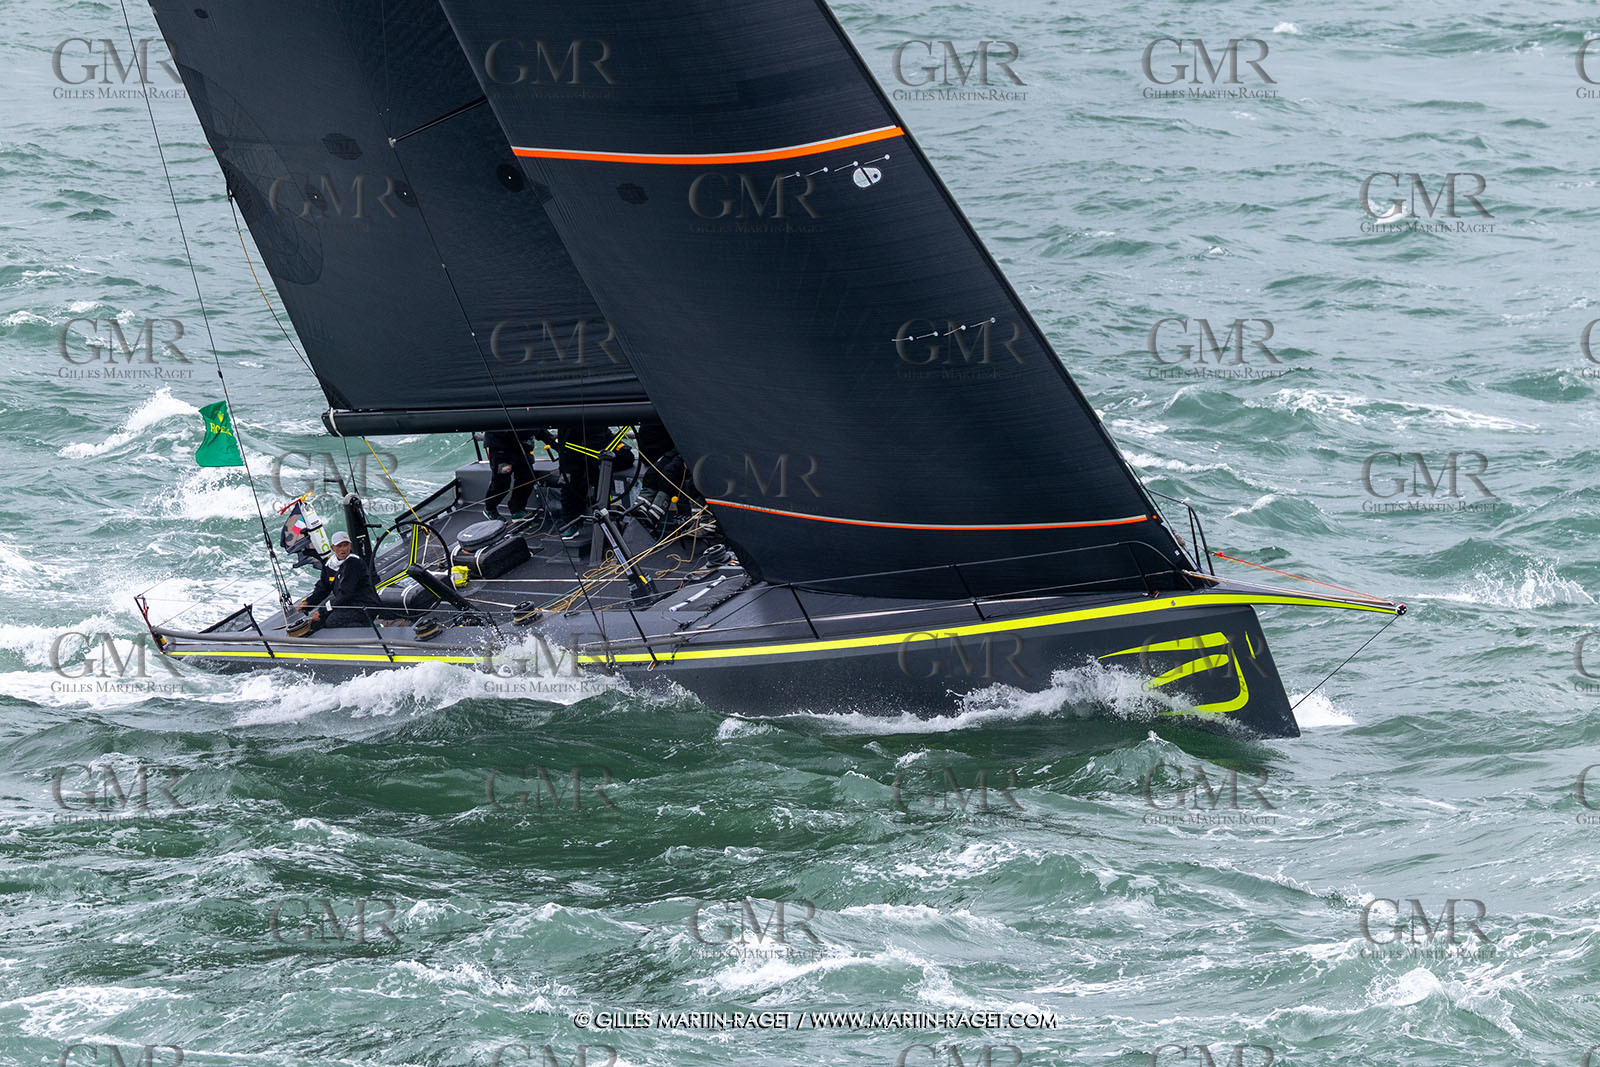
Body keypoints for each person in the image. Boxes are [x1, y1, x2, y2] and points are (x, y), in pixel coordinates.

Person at [295, 531, 383, 632]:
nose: (343, 549)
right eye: (339, 546)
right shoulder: (330, 565)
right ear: (333, 548)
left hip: (364, 604)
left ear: (350, 545)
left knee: (332, 621)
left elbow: (346, 593)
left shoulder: (354, 563)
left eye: (345, 545)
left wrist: (322, 610)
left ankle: (369, 630)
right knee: (318, 622)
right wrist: (308, 603)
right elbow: (323, 588)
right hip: (347, 604)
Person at [482, 429, 537, 519]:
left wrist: (553, 443)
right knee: (502, 484)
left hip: (522, 448)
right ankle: (489, 508)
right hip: (501, 450)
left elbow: (537, 427)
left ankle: (517, 509)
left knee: (527, 477)